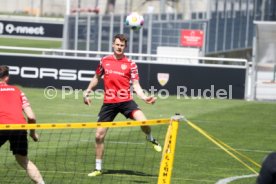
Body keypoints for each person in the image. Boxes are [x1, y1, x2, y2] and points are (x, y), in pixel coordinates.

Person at [83, 33, 162, 177]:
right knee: (99, 136)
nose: (119, 47)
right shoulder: (104, 61)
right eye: (117, 44)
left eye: (122, 45)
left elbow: (136, 85)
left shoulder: (131, 64)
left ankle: (150, 137)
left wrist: (144, 97)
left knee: (144, 122)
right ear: (113, 44)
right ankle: (98, 168)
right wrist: (87, 91)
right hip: (109, 103)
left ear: (125, 47)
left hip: (126, 101)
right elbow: (96, 78)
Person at [0, 65, 45, 184]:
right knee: (23, 160)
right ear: (7, 78)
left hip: (2, 127)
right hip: (20, 127)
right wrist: (33, 134)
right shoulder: (18, 91)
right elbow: (31, 117)